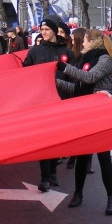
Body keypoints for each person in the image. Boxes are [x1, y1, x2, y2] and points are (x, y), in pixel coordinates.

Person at [56, 28, 112, 215]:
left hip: (100, 113)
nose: (82, 44)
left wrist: (65, 68)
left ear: (93, 42)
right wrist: (55, 82)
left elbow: (90, 77)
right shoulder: (85, 59)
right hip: (85, 112)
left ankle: (111, 198)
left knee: (103, 156)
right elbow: (78, 87)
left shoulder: (105, 59)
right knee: (83, 154)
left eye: (84, 41)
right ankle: (78, 193)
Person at [22, 18, 75, 192]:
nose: (43, 32)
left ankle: (53, 172)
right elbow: (26, 73)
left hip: (60, 99)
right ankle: (44, 177)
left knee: (57, 139)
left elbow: (73, 76)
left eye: (46, 29)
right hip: (41, 101)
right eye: (42, 29)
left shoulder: (66, 51)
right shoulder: (35, 51)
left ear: (54, 30)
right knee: (43, 140)